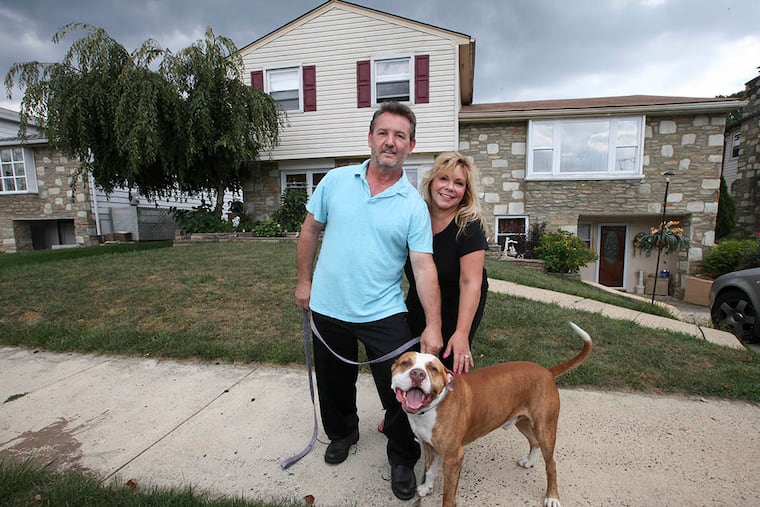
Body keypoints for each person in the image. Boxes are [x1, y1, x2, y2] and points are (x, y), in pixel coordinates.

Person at [295, 101, 442, 501]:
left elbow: (423, 266)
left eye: (400, 136)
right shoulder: (336, 181)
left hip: (384, 311)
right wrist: (304, 281)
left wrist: (432, 325)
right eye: (384, 133)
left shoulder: (413, 204)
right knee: (333, 381)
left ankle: (401, 457)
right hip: (327, 306)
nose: (390, 142)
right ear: (370, 137)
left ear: (411, 146)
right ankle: (342, 433)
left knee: (399, 385)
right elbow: (309, 232)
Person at [405, 152, 489, 375]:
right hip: (420, 297)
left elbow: (471, 282)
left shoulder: (469, 225)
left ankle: (453, 407)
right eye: (444, 179)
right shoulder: (415, 216)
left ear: (465, 192)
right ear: (431, 181)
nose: (450, 187)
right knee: (414, 359)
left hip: (458, 301)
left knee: (448, 362)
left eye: (459, 183)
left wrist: (462, 332)